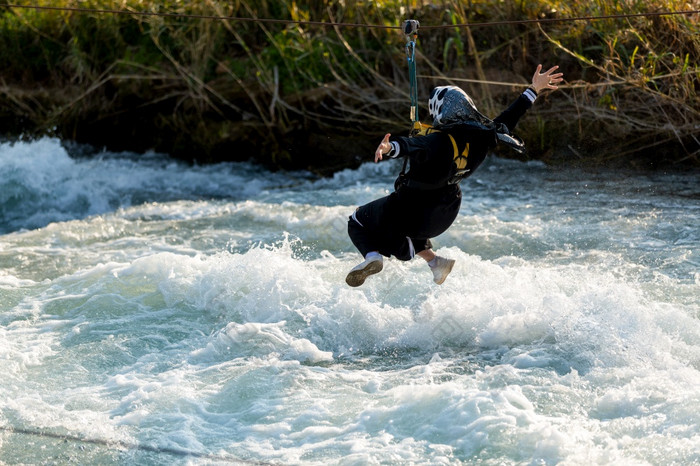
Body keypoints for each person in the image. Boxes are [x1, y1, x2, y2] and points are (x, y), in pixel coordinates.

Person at [345, 64, 564, 287]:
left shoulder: (434, 141)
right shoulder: (483, 139)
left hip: (412, 212)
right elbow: (508, 119)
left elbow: (409, 145)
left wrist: (388, 147)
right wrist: (533, 89)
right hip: (444, 213)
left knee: (357, 221)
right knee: (406, 226)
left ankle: (372, 257)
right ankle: (435, 262)